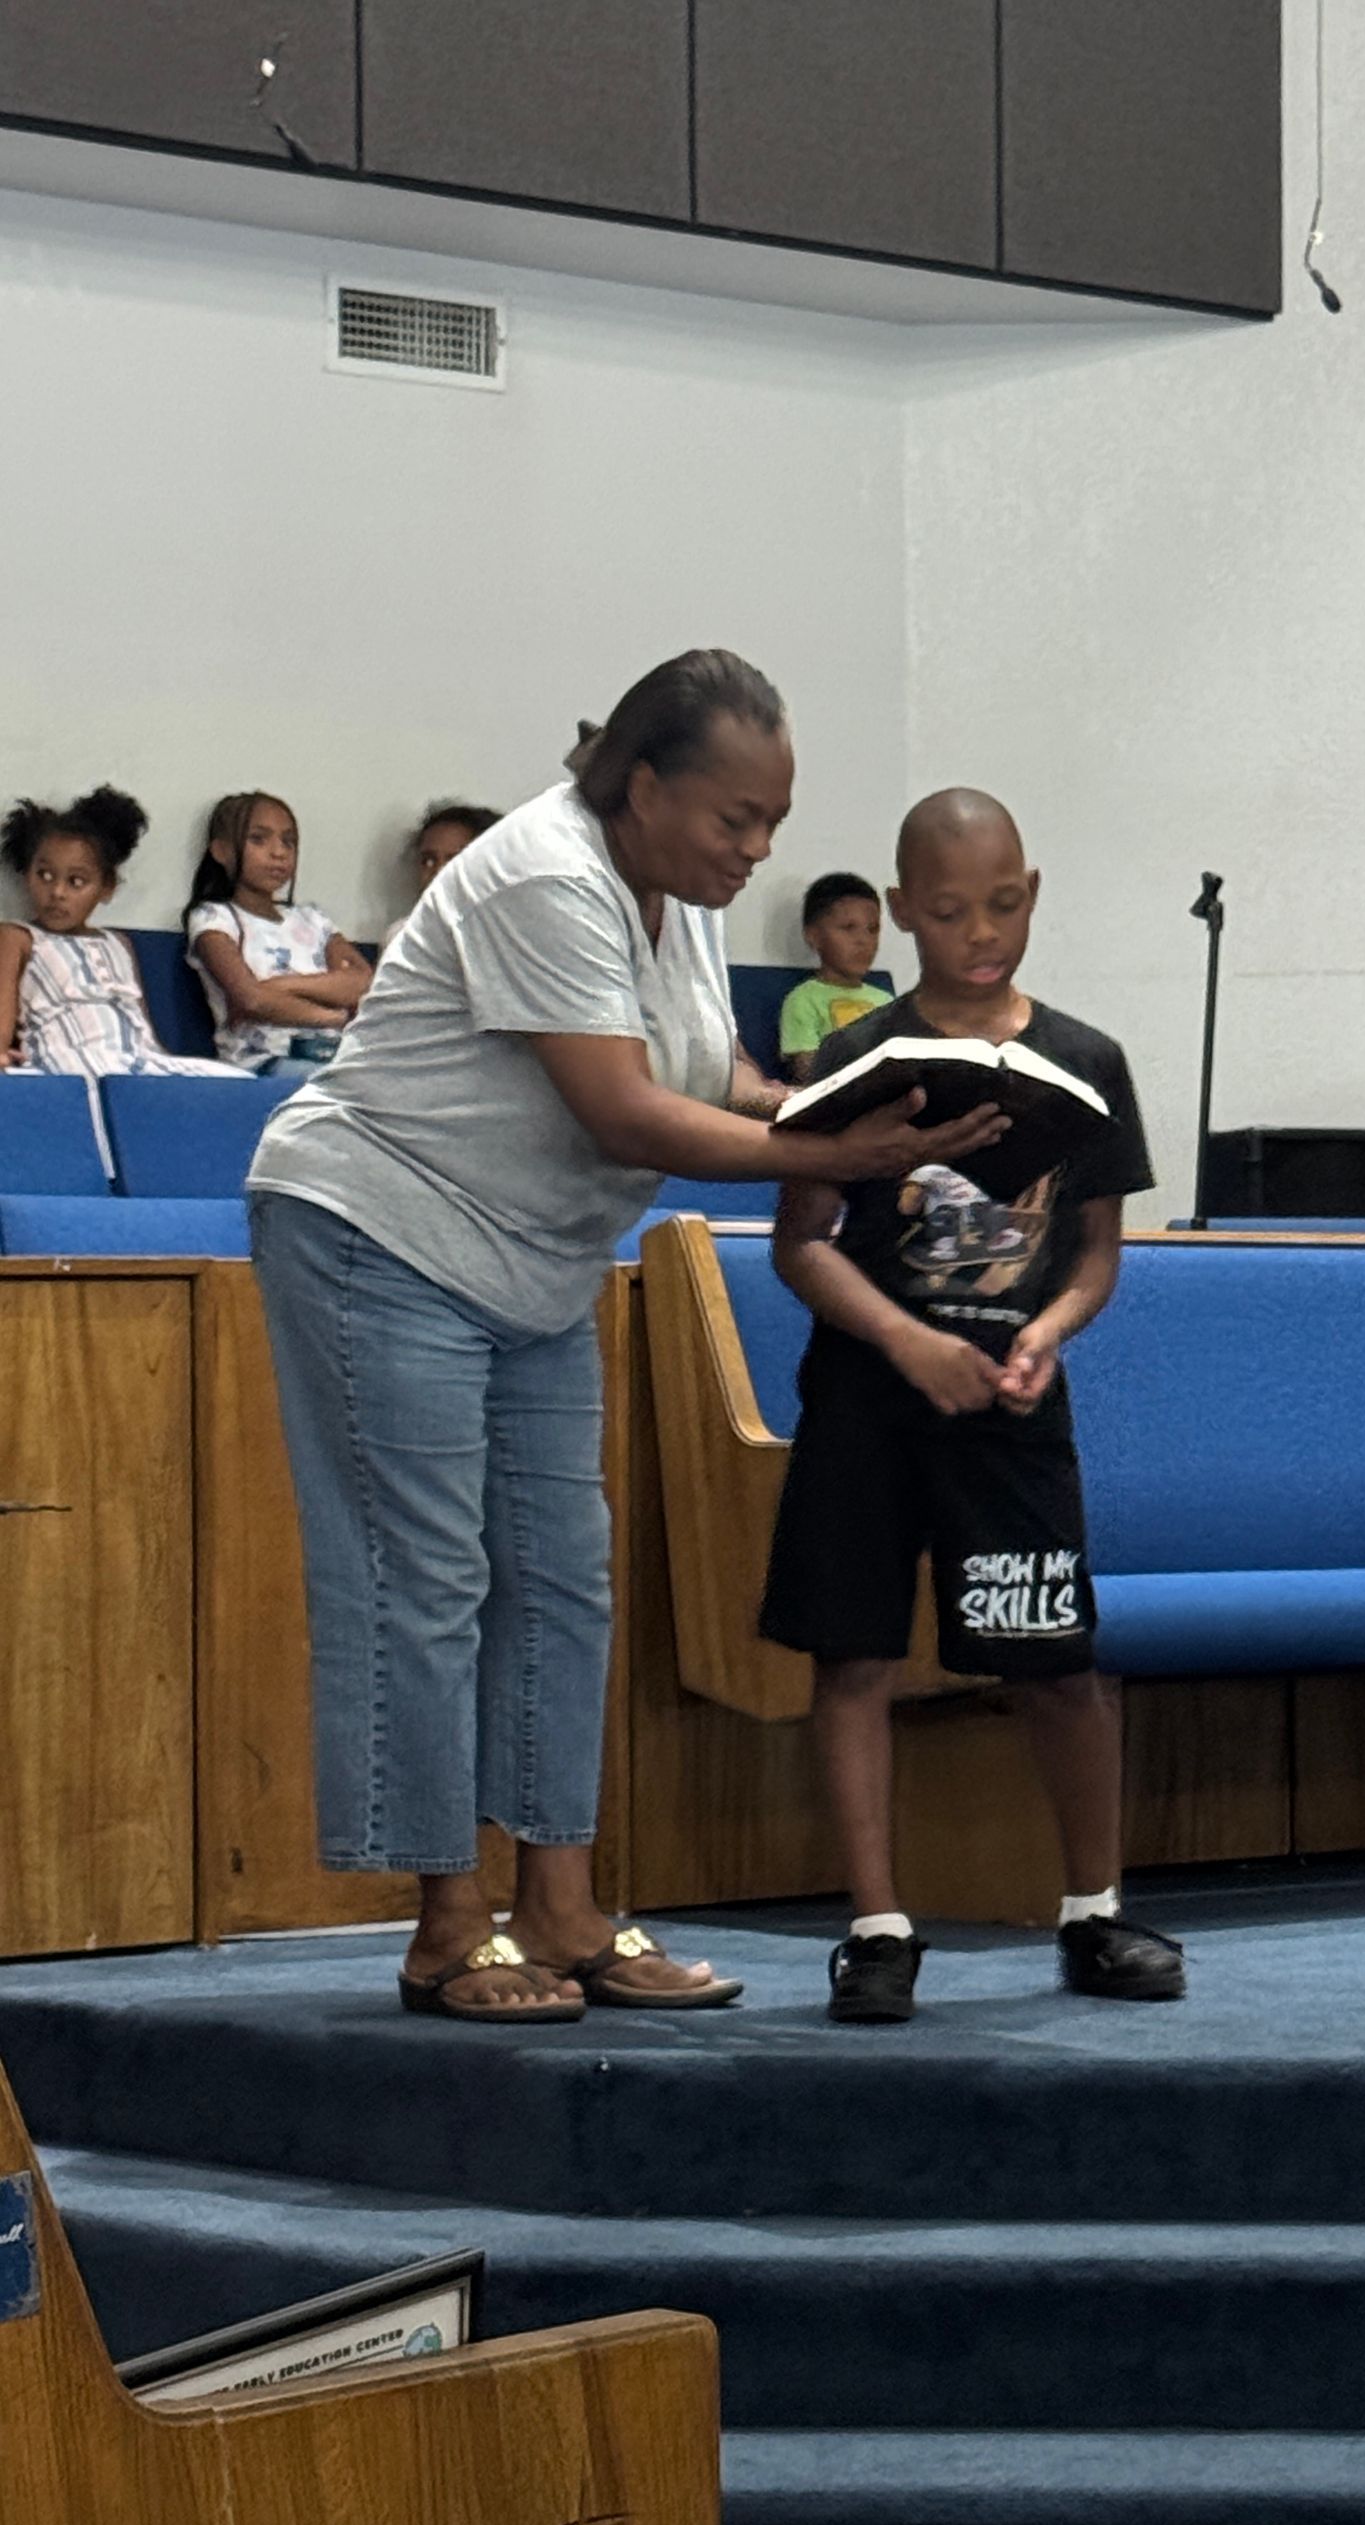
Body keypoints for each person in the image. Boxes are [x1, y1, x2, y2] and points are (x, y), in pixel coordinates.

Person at [246, 651, 1006, 2023]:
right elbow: (625, 1112)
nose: (757, 850)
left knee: (564, 1576)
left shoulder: (682, 896)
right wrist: (831, 1144)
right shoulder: (545, 870)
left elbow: (715, 1079)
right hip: (380, 1230)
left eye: (774, 823)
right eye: (735, 820)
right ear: (642, 785)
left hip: (533, 1261)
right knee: (425, 1577)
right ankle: (446, 1924)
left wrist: (892, 1113)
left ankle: (562, 1905)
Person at [758, 785, 1187, 2025]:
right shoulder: (853, 1059)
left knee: (1057, 1664)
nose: (979, 932)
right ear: (901, 912)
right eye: (946, 912)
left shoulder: (1088, 1060)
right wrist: (904, 1340)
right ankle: (878, 1927)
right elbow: (801, 1244)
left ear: (1033, 893)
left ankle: (1094, 1911)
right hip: (867, 1396)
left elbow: (1098, 1252)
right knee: (854, 1656)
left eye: (1002, 905)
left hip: (1010, 1401)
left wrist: (1047, 1333)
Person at [0, 787, 252, 1084]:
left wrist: (162, 1064)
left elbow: (138, 1020)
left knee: (238, 1081)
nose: (57, 893)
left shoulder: (118, 943)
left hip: (136, 1059)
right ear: (25, 873)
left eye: (76, 882)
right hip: (67, 1058)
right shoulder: (18, 937)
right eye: (44, 875)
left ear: (106, 888)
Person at [185, 793, 373, 1077]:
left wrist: (281, 986)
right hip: (261, 1063)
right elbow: (252, 1001)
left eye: (288, 842)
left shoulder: (313, 920)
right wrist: (333, 1016)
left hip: (333, 1057)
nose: (278, 853)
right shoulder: (215, 920)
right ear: (221, 851)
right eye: (259, 839)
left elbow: (361, 984)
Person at [778, 871, 889, 1077]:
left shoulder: (886, 1001)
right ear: (813, 936)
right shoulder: (803, 1000)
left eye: (873, 930)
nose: (863, 940)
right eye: (848, 928)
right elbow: (807, 1073)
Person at [380, 802, 503, 956]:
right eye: (429, 861)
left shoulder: (515, 937)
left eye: (453, 862)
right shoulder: (403, 936)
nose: (438, 873)